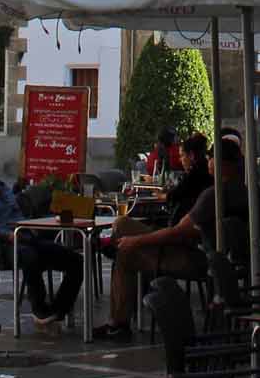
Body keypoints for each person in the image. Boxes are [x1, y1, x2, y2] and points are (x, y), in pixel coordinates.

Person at [97, 134, 250, 340]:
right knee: (123, 228)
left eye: (211, 158)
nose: (209, 162)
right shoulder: (247, 191)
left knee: (124, 249)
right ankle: (118, 319)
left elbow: (179, 232)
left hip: (198, 259)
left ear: (223, 163)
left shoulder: (213, 195)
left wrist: (136, 241)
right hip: (227, 262)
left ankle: (118, 323)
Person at [0, 148, 83, 334]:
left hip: (25, 237)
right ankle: (40, 309)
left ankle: (57, 311)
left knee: (76, 260)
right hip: (3, 247)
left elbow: (20, 214)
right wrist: (3, 234)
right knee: (30, 256)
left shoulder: (3, 188)